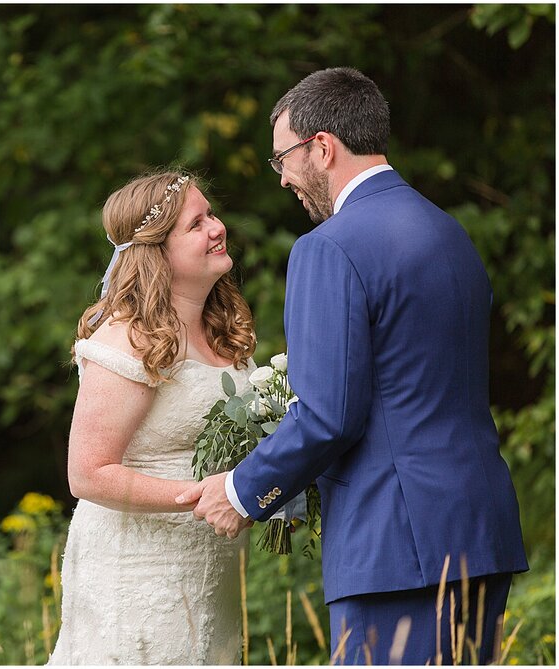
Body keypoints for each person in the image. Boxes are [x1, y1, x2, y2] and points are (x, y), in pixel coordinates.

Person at [178, 67, 528, 665]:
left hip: (396, 549)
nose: (283, 177)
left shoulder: (329, 248)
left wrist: (241, 491)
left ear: (322, 146)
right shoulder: (450, 234)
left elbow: (329, 416)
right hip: (482, 533)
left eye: (283, 158)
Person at [47, 171, 257, 665]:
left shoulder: (226, 334)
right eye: (195, 224)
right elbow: (87, 472)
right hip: (138, 569)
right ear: (156, 253)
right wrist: (207, 498)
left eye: (212, 214)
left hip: (211, 572)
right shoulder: (128, 338)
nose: (217, 228)